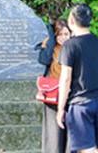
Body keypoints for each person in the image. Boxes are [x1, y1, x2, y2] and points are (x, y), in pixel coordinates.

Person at [57, 4, 98, 153]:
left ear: (71, 20)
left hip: (80, 105)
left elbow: (66, 79)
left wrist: (61, 108)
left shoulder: (70, 46)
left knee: (87, 149)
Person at [38, 18, 71, 153]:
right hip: (52, 93)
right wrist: (52, 39)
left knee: (69, 134)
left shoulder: (74, 47)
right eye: (60, 34)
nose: (63, 38)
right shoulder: (51, 45)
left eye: (66, 34)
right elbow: (43, 59)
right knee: (53, 134)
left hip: (69, 93)